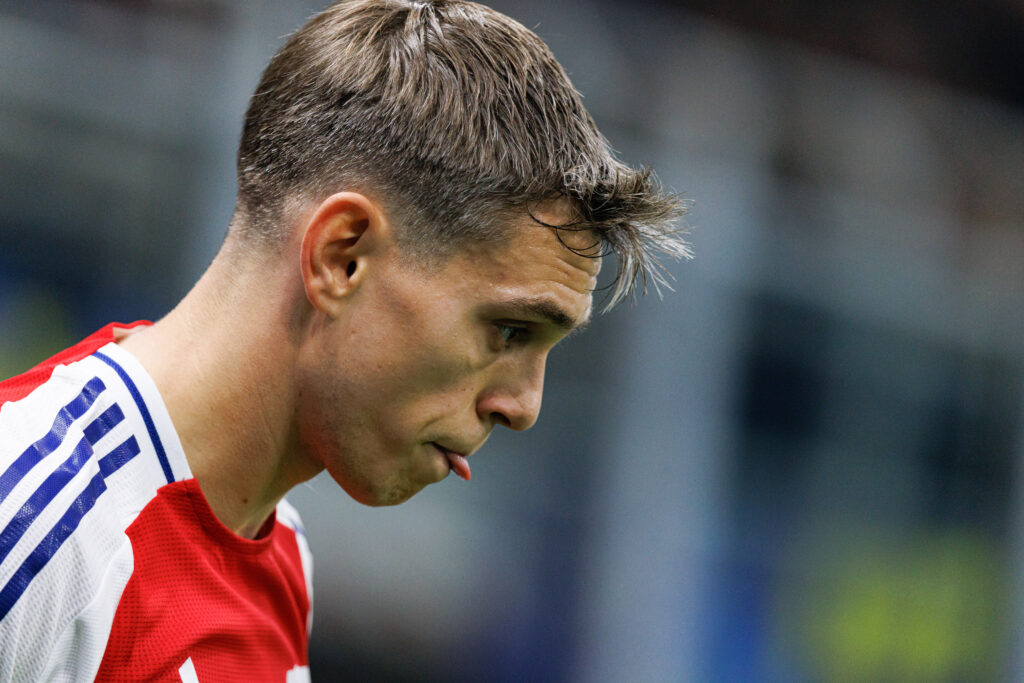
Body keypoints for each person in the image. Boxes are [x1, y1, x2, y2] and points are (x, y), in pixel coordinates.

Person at [0, 0, 688, 679]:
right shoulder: (33, 522)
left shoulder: (281, 558)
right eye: (508, 330)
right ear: (341, 257)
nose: (524, 405)